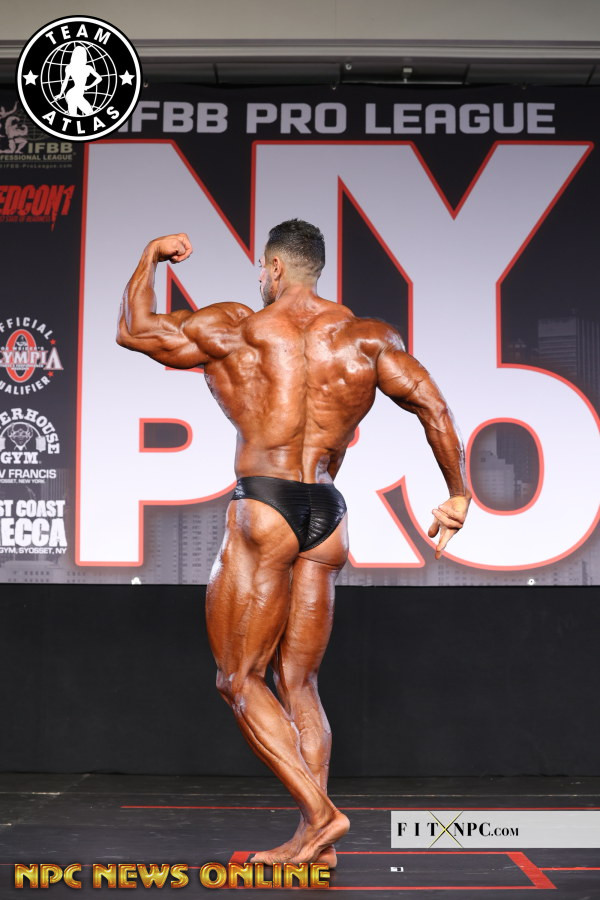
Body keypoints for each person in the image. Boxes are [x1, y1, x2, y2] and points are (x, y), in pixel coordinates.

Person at [117, 220, 470, 866]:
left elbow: (134, 331)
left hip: (266, 506)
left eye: (262, 269)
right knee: (299, 682)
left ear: (274, 268)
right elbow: (434, 407)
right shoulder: (367, 338)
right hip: (327, 511)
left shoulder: (239, 328)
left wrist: (151, 256)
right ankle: (316, 842)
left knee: (238, 679)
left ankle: (322, 814)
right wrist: (458, 494)